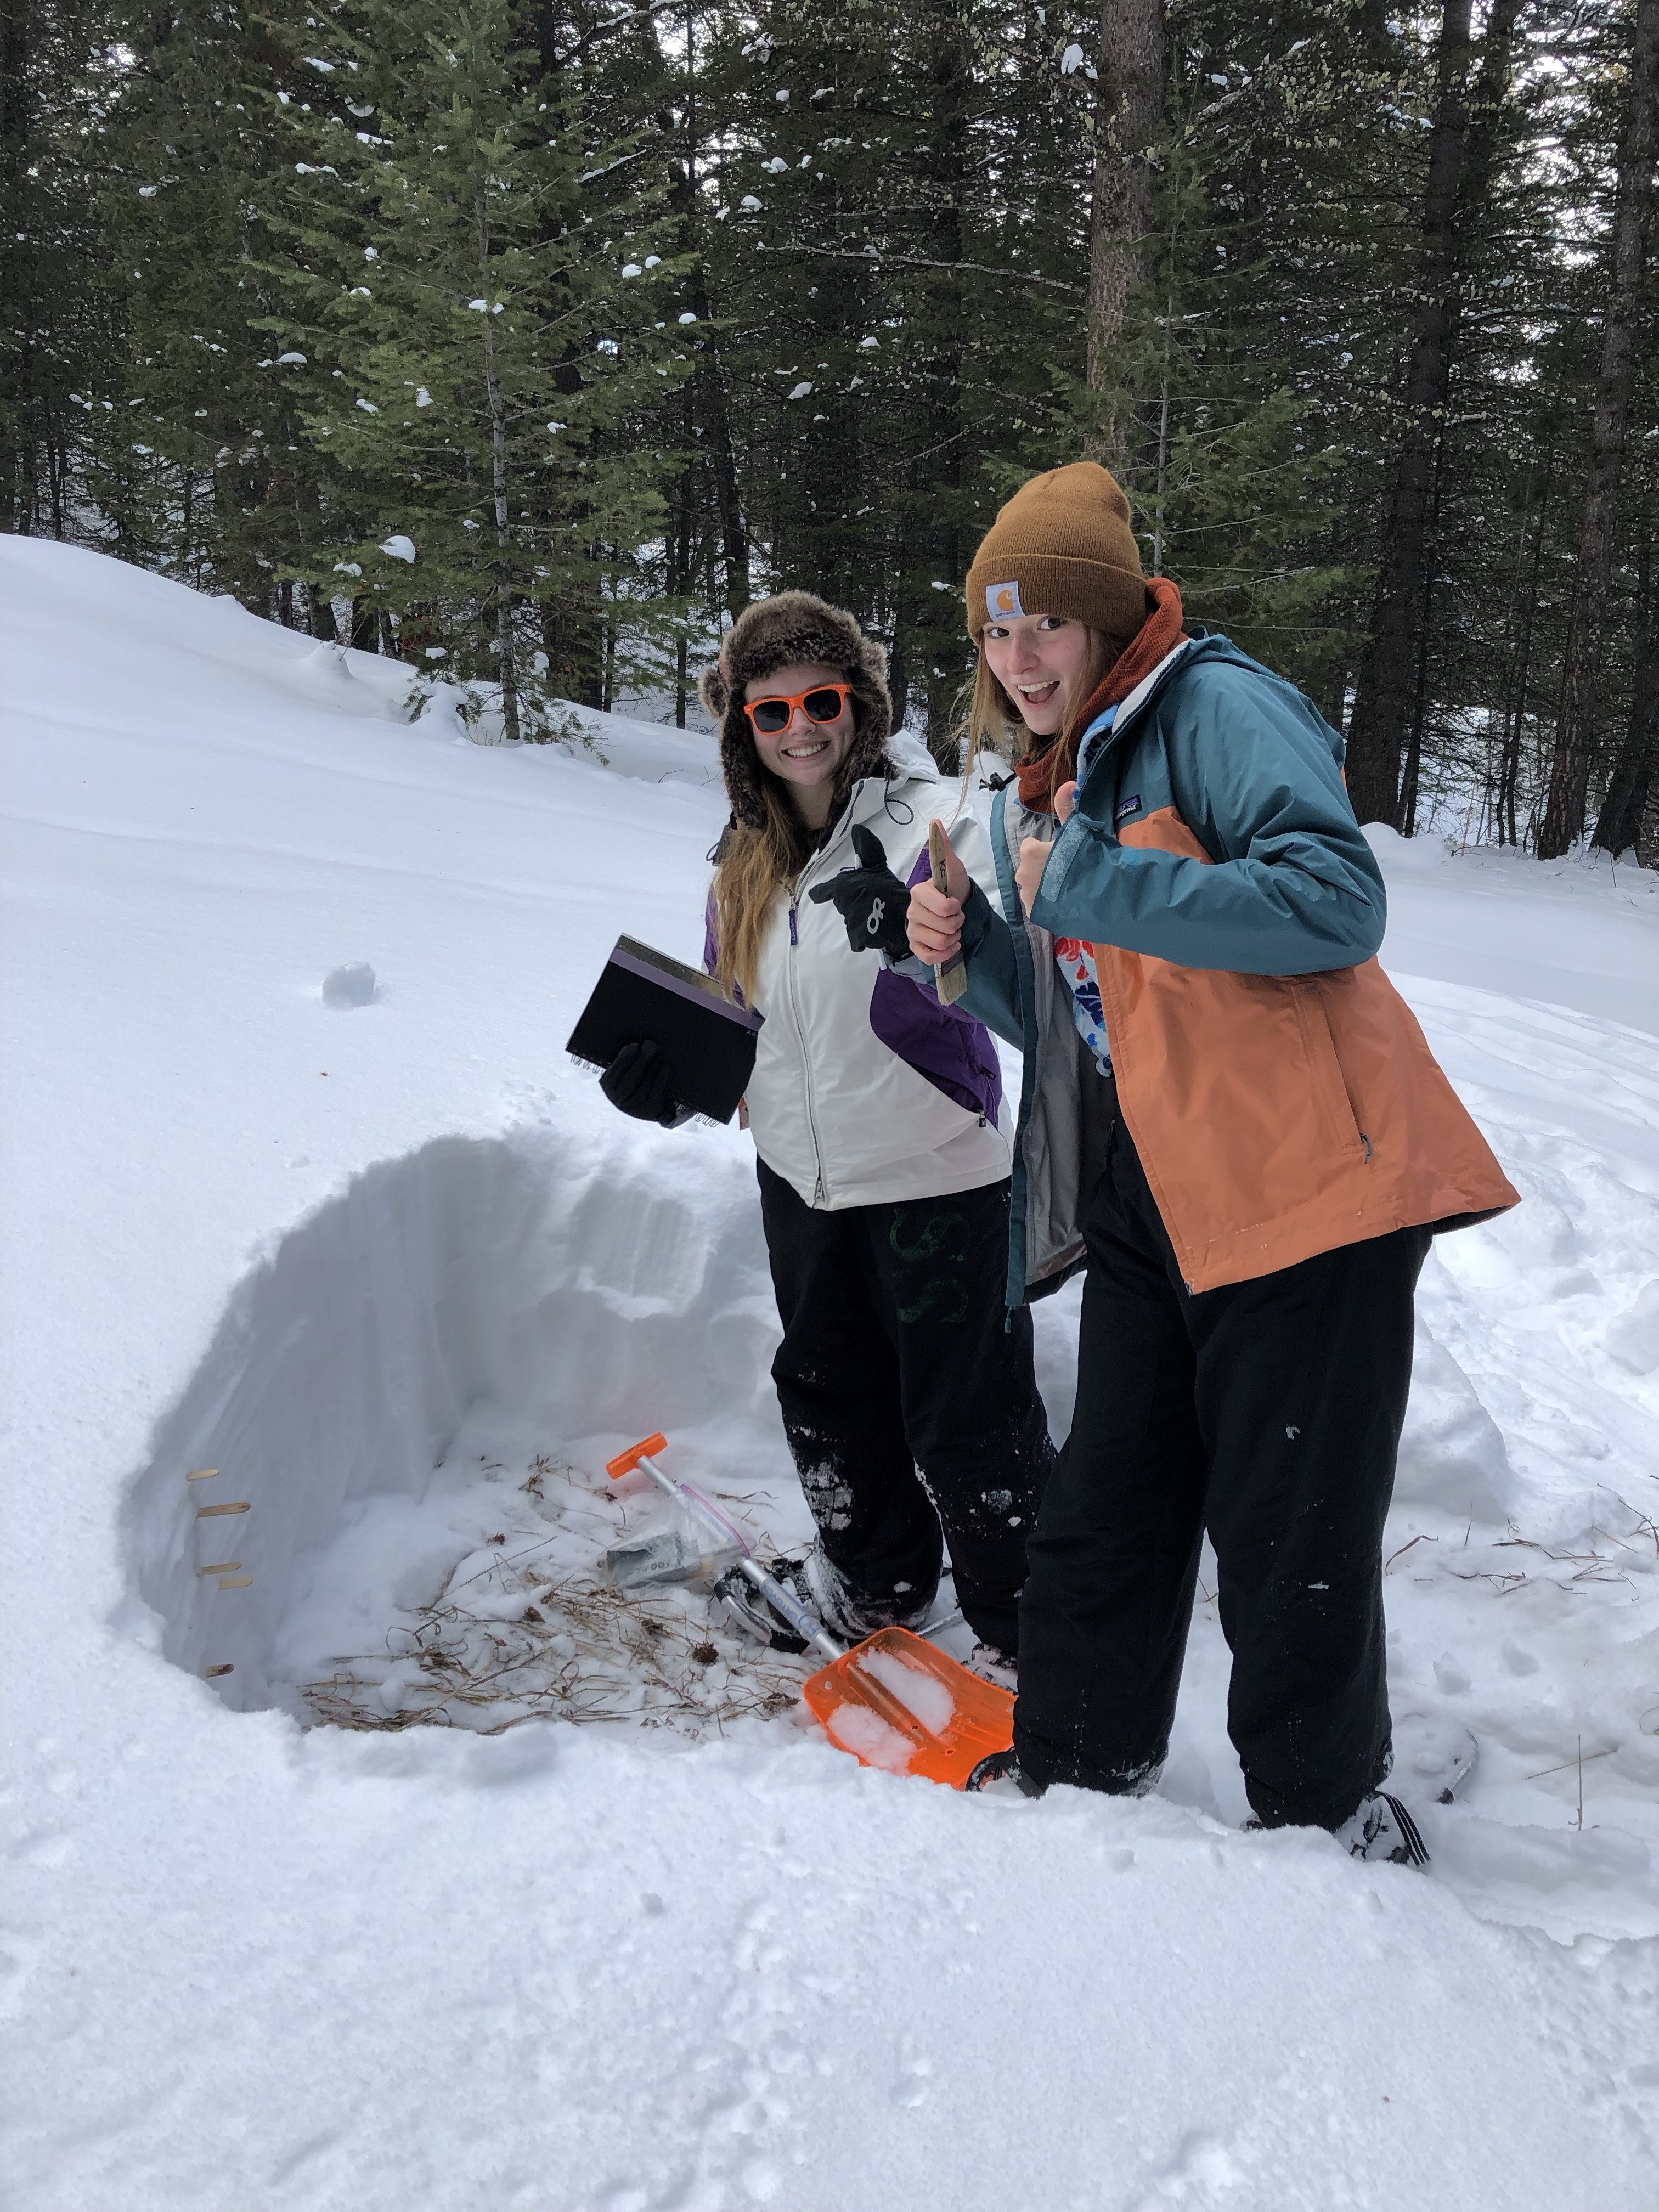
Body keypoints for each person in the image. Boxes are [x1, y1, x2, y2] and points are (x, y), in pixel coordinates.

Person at [904, 462, 1519, 1859]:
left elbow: (1335, 901)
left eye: (1044, 625)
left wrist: (1094, 884)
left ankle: (1323, 1821)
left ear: (1110, 619)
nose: (1018, 660)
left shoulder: (1213, 707)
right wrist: (975, 959)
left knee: (1287, 1534)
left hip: (1308, 1191)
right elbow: (1086, 1008)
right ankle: (1074, 1772)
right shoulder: (1033, 785)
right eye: (995, 634)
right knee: (1105, 1503)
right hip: (1152, 1188)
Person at [598, 589, 1054, 1680]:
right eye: (772, 711)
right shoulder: (740, 862)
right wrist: (668, 1082)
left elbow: (1017, 918)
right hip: (800, 1181)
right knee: (828, 1391)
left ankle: (1033, 1624)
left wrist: (931, 923)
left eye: (823, 699)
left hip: (937, 1175)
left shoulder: (934, 814)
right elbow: (743, 1020)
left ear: (858, 703)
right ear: (740, 730)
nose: (802, 727)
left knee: (968, 1420)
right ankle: (873, 1578)